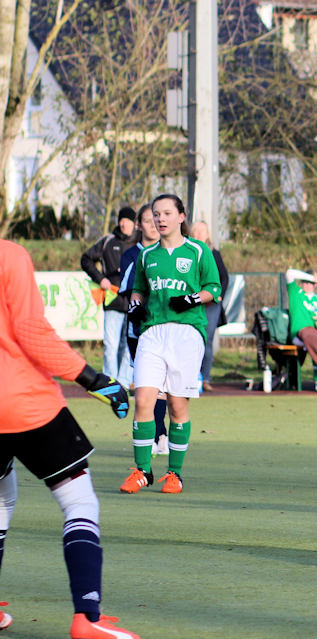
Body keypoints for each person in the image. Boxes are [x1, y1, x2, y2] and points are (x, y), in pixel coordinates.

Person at [0, 238, 139, 639]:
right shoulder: (9, 255)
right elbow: (30, 331)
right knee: (78, 500)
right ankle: (87, 615)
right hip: (22, 403)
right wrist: (91, 379)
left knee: (2, 499)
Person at [119, 194, 222, 495]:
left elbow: (213, 289)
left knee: (177, 406)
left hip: (187, 333)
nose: (160, 219)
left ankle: (174, 474)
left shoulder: (198, 251)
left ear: (180, 216)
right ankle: (142, 471)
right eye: (155, 214)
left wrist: (191, 299)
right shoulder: (147, 255)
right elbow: (138, 290)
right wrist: (134, 306)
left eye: (166, 213)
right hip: (152, 332)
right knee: (143, 400)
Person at [118, 203, 169, 456]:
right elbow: (131, 293)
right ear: (139, 225)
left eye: (157, 218)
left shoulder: (171, 253)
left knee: (163, 386)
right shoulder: (132, 255)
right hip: (140, 331)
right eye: (149, 220)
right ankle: (149, 434)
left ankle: (161, 433)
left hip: (167, 330)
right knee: (145, 385)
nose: (154, 224)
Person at [81, 205, 138, 384]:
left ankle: (123, 383)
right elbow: (86, 259)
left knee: (128, 345)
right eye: (121, 220)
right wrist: (100, 279)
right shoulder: (107, 241)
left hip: (133, 301)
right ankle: (110, 384)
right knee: (111, 345)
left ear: (134, 223)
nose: (124, 224)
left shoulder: (142, 243)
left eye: (127, 221)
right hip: (112, 300)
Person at [191, 221, 230, 391]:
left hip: (211, 305)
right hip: (193, 303)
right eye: (196, 231)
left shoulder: (214, 253)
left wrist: (218, 295)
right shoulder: (187, 252)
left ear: (207, 234)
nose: (199, 234)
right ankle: (190, 376)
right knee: (191, 339)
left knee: (206, 339)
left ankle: (205, 378)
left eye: (203, 231)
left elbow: (224, 277)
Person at [285, 267, 317, 342]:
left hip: (313, 334)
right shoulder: (296, 293)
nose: (307, 285)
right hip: (298, 335)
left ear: (315, 285)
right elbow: (289, 273)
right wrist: (313, 278)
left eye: (311, 283)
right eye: (305, 282)